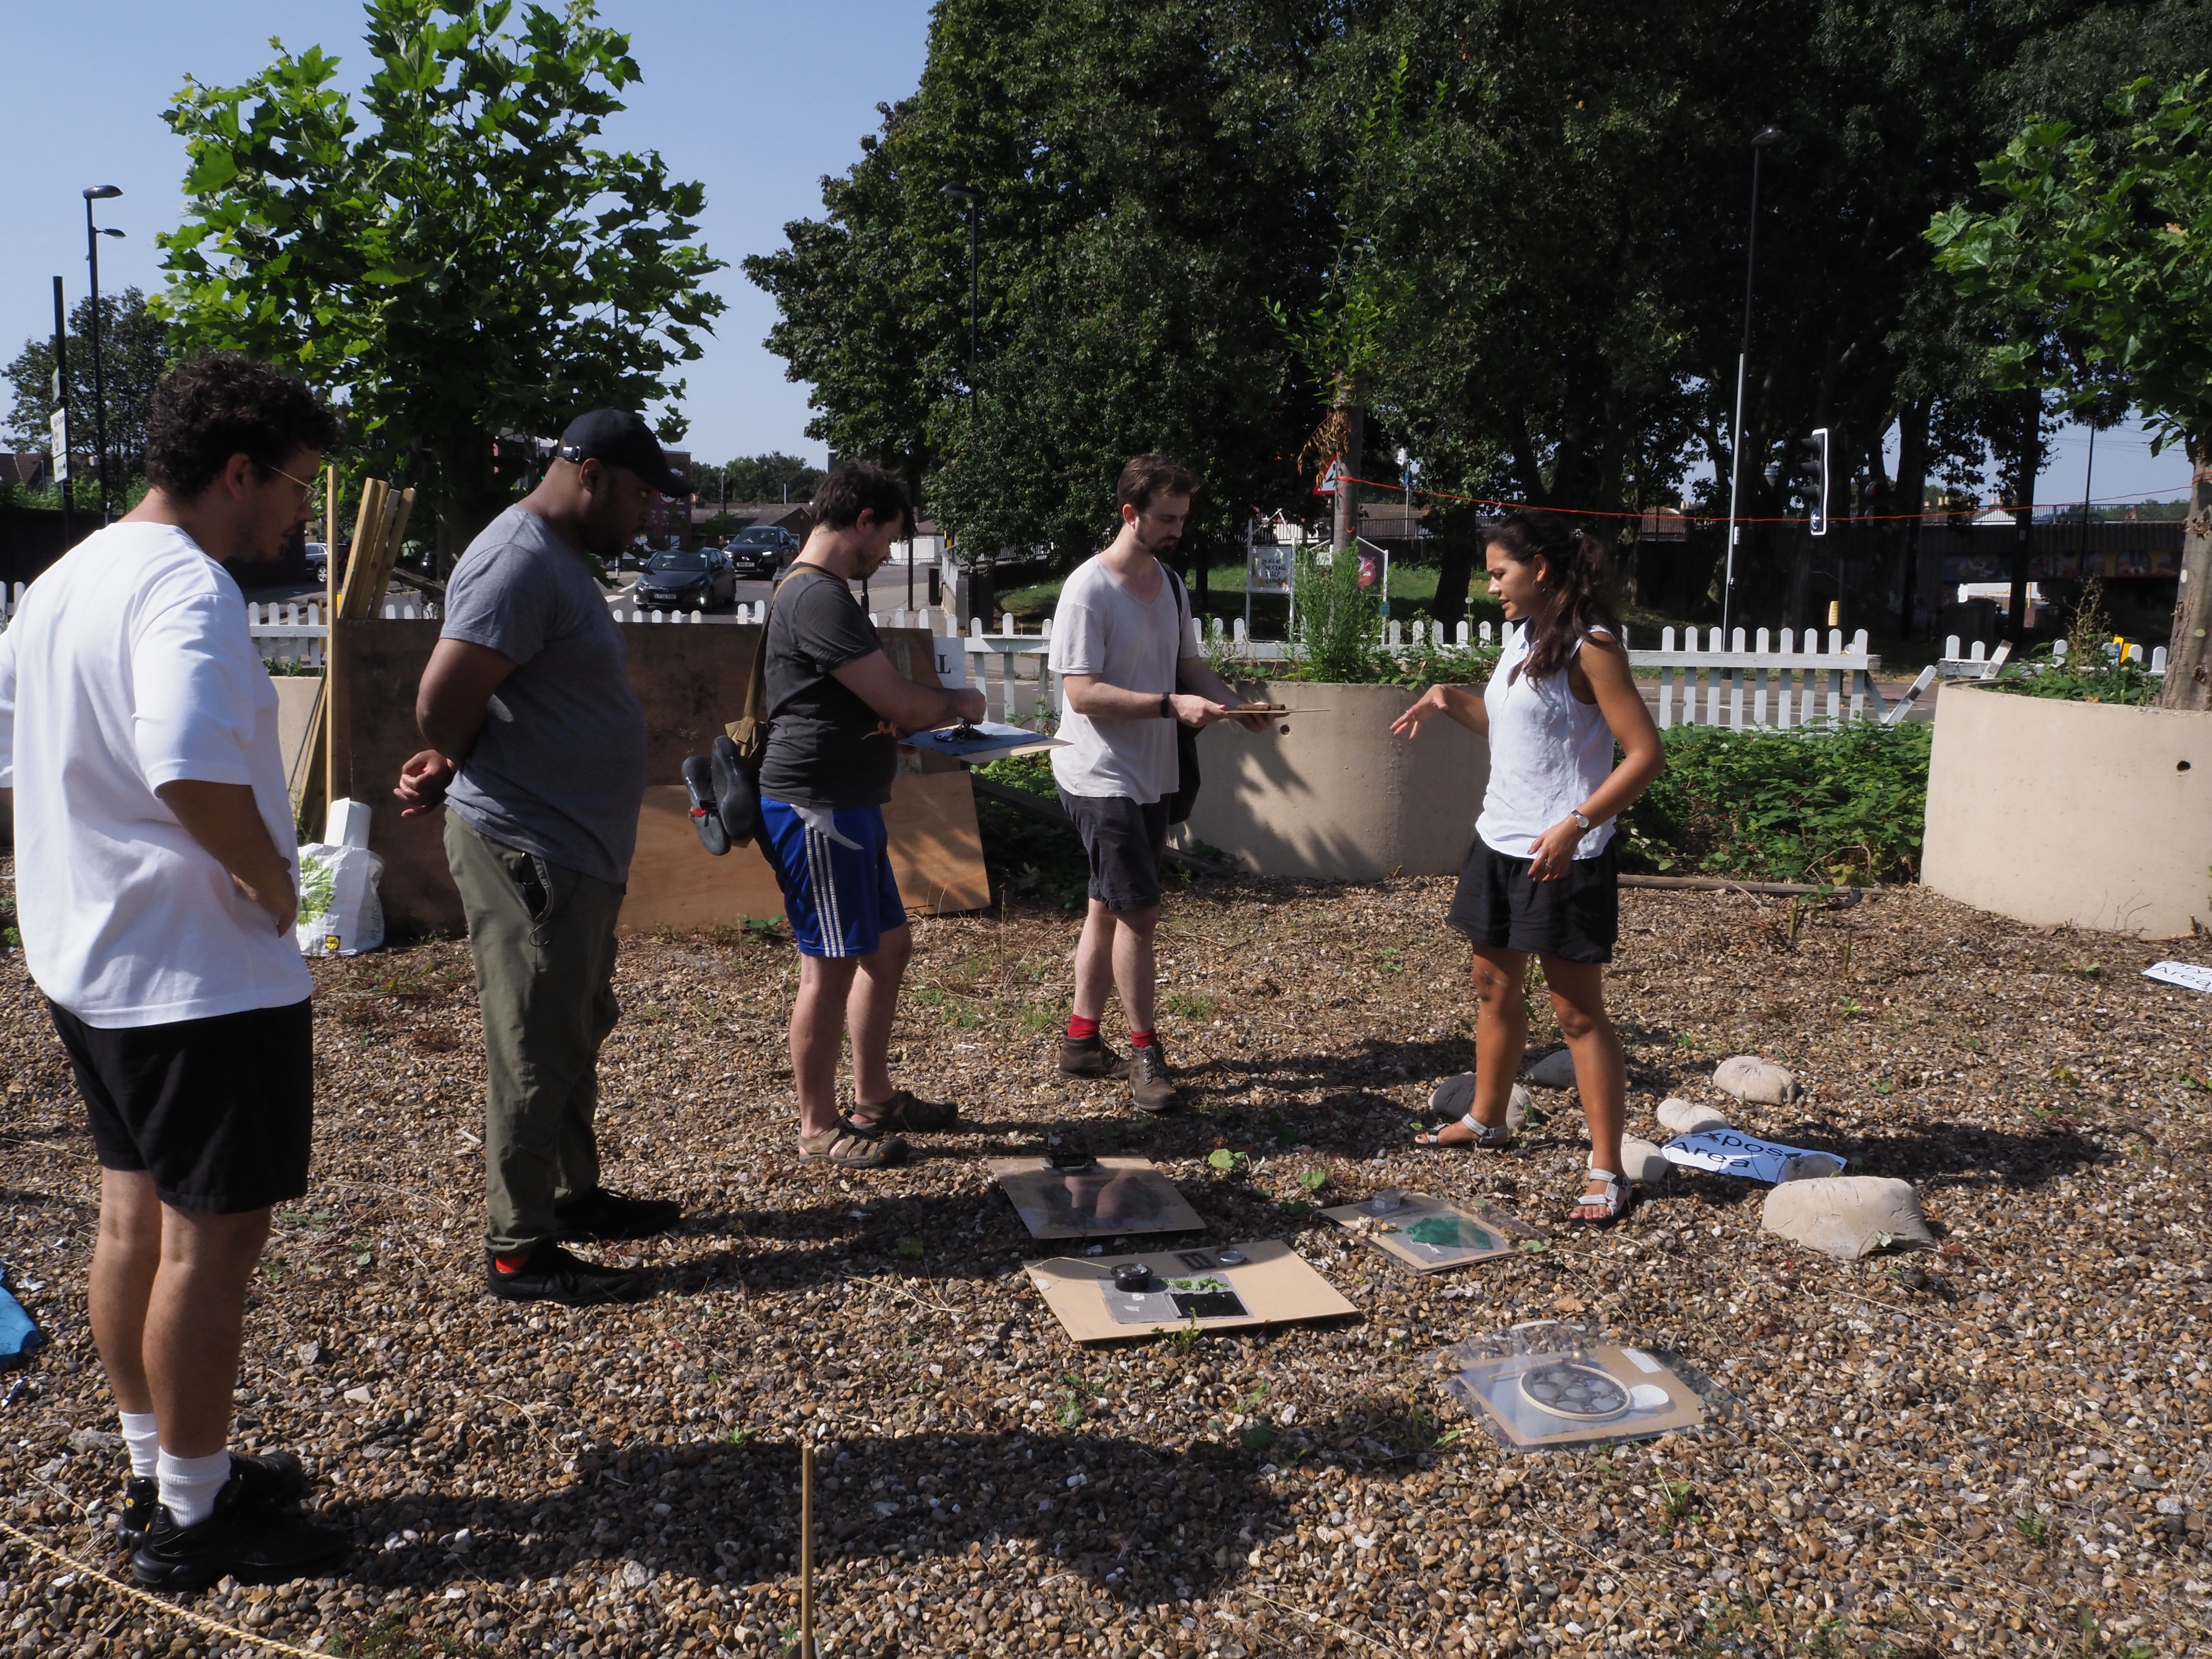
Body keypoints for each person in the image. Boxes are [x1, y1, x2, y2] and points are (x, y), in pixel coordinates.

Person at [0, 353, 349, 1586]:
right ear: (238, 471)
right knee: (213, 1241)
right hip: (197, 976)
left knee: (131, 1212)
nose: (302, 511)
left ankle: (161, 1467)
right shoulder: (184, 586)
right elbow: (188, 764)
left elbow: (17, 770)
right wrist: (272, 885)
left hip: (91, 960)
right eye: (298, 485)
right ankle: (196, 1521)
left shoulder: (64, 579)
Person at [391, 409, 689, 1306]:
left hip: (569, 845)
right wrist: (458, 754)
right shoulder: (517, 559)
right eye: (642, 496)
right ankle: (519, 1250)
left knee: (571, 1025)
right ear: (590, 474)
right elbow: (441, 700)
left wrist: (460, 756)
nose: (648, 515)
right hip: (530, 844)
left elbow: (506, 693)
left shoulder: (555, 558)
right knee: (532, 1041)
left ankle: (569, 1196)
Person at [1390, 509, 1664, 1224]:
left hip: (1564, 853)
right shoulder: (1522, 636)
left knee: (1576, 1013)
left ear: (1539, 570)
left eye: (1499, 573)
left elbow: (1645, 754)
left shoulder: (1592, 646)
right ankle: (1487, 1118)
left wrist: (1577, 824)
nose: (1491, 587)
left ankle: (1607, 1168)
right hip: (1499, 842)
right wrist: (1449, 699)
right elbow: (1516, 729)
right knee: (1492, 986)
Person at [754, 460, 984, 1167]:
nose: (888, 553)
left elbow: (857, 702)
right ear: (863, 521)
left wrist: (903, 726)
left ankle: (874, 1098)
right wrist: (958, 705)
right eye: (889, 538)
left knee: (886, 949)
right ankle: (818, 1127)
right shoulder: (816, 596)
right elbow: (896, 698)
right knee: (830, 966)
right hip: (817, 808)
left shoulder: (820, 592)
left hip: (848, 804)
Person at [1045, 455, 1270, 1112]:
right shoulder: (1088, 590)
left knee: (1107, 906)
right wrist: (1171, 706)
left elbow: (1189, 666)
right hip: (1099, 775)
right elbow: (1083, 694)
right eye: (1167, 519)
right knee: (1139, 915)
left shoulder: (1170, 584)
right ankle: (1146, 1053)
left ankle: (1082, 1043)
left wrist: (1235, 705)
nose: (1177, 530)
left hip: (1152, 772)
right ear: (1131, 514)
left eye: (1182, 519)